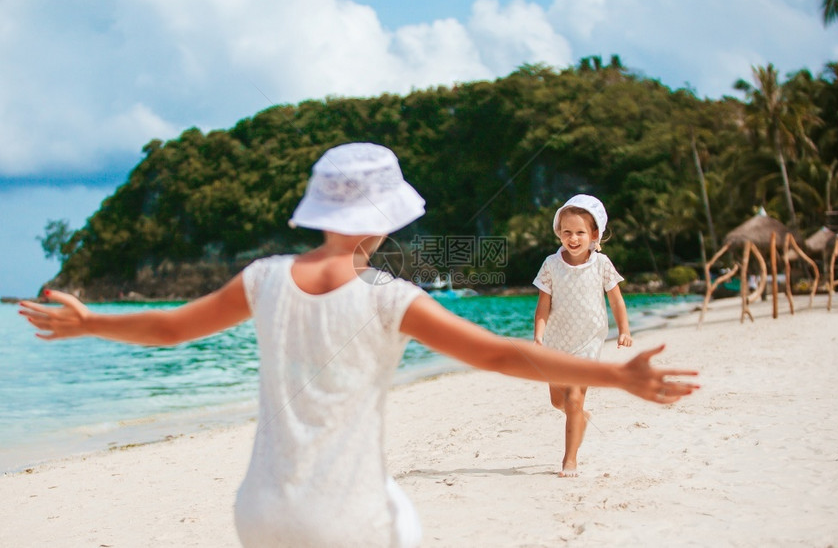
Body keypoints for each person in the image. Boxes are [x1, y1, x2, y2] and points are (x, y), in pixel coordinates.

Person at [19, 143, 698, 548]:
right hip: (346, 515)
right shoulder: (388, 295)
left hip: (258, 511)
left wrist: (90, 321)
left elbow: (169, 328)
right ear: (385, 218)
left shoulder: (263, 279)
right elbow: (498, 354)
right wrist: (617, 377)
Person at [533, 194, 633, 477]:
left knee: (575, 397)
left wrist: (624, 330)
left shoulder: (602, 264)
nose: (573, 238)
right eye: (567, 232)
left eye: (580, 232)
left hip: (589, 340)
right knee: (558, 401)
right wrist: (539, 336)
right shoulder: (551, 264)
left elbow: (616, 301)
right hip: (556, 340)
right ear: (559, 233)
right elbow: (543, 306)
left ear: (594, 234)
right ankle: (579, 418)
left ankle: (569, 460)